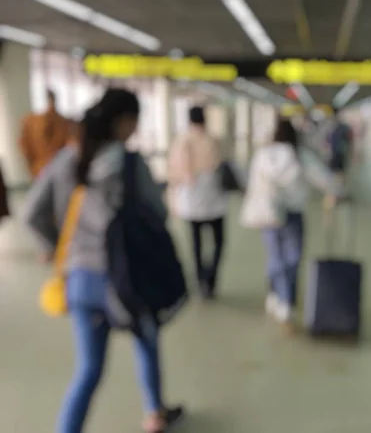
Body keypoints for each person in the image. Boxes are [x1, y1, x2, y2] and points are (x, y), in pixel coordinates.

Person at [22, 89, 183, 433]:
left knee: (88, 370)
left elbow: (31, 213)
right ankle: (154, 413)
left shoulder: (65, 158)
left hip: (79, 280)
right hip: (125, 280)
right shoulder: (128, 163)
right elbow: (159, 213)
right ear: (123, 120)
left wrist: (57, 248)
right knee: (147, 341)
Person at [241, 118, 342, 332]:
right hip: (294, 214)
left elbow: (252, 184)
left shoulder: (262, 155)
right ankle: (286, 300)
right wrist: (336, 191)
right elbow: (325, 179)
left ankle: (275, 294)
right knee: (292, 258)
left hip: (268, 214)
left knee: (275, 256)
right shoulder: (300, 156)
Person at [167, 106, 227, 300]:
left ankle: (201, 279)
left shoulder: (182, 141)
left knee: (196, 243)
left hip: (191, 198)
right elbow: (221, 165)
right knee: (219, 241)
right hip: (214, 197)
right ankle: (211, 277)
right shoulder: (213, 140)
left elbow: (175, 171)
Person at [19, 90, 71, 178]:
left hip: (57, 169)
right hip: (44, 169)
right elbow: (25, 148)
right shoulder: (30, 122)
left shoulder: (63, 123)